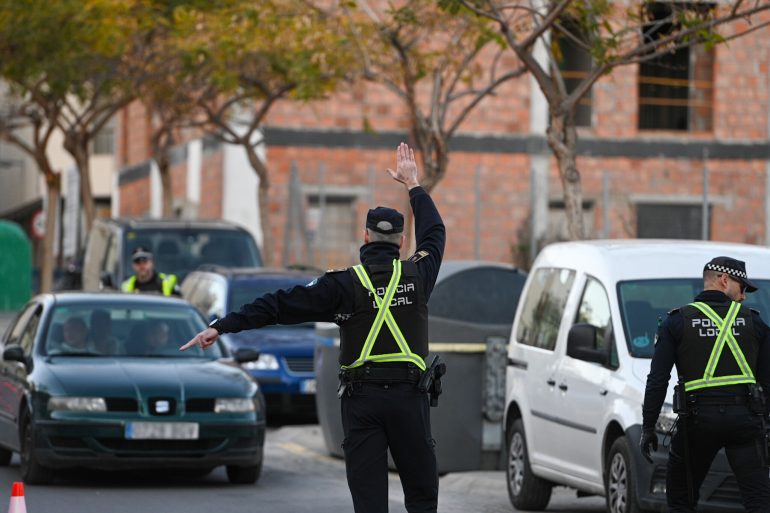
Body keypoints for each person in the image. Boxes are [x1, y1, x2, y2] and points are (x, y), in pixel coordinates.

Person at [181, 142, 445, 513]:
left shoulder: (340, 286)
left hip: (362, 401)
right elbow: (435, 232)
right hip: (408, 398)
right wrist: (413, 184)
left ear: (366, 238)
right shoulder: (419, 275)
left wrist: (222, 326)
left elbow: (278, 305)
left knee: (369, 501)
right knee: (421, 495)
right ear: (402, 242)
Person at [640, 256, 770, 512]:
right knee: (759, 501)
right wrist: (765, 424)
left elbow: (657, 380)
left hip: (697, 423)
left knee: (681, 499)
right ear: (724, 280)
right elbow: (767, 381)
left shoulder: (676, 322)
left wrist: (648, 427)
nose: (743, 296)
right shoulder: (755, 322)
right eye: (742, 288)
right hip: (744, 422)